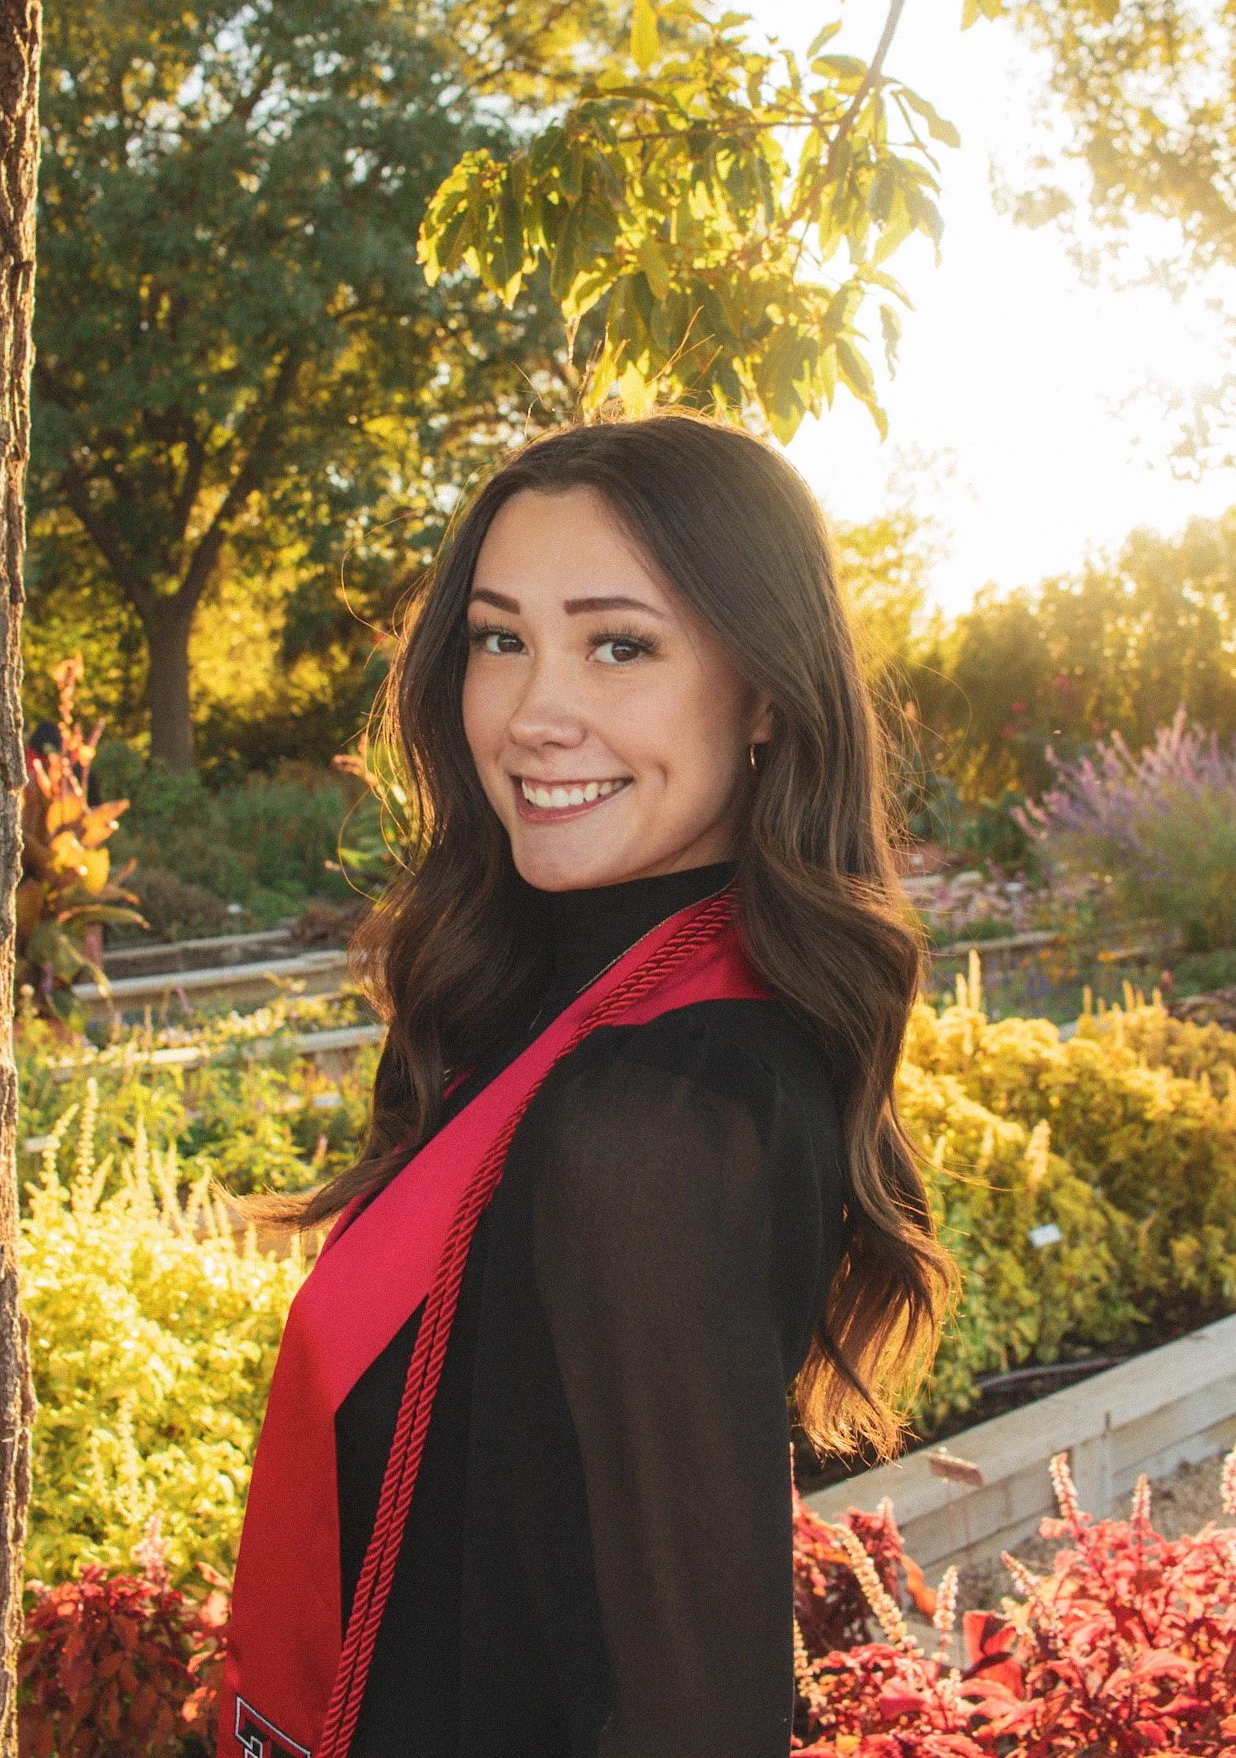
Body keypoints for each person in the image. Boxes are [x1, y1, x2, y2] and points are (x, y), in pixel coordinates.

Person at [218, 413, 957, 1758]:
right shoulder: (537, 1008)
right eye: (502, 637)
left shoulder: (661, 1105)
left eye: (619, 644)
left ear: (769, 692)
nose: (534, 710)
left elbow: (699, 1713)